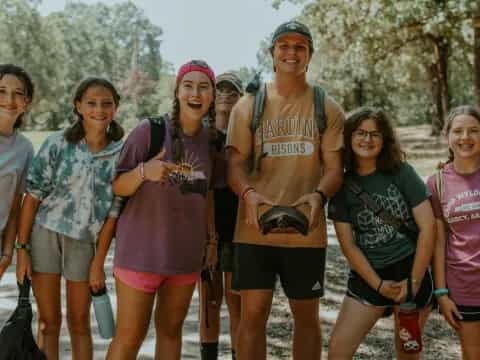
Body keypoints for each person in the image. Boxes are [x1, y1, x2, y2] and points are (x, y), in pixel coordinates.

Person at [226, 21, 344, 360]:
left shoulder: (327, 106)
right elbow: (234, 165)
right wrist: (248, 195)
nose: (291, 52)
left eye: (300, 47)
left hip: (306, 231)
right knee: (252, 316)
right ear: (272, 53)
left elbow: (336, 168)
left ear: (309, 56)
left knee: (306, 318)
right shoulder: (249, 106)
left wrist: (319, 195)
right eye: (284, 45)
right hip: (254, 231)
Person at [106, 60, 218, 360]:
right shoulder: (150, 131)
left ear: (212, 96)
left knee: (171, 333)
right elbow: (118, 185)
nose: (196, 93)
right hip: (140, 256)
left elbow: (206, 197)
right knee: (129, 338)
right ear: (178, 91)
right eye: (189, 85)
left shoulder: (212, 142)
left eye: (204, 87)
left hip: (184, 259)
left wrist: (210, 240)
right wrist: (145, 171)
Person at [15, 77, 124, 360]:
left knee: (79, 323)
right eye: (91, 103)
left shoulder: (121, 154)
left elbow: (114, 212)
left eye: (106, 104)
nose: (99, 110)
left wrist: (99, 262)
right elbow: (32, 197)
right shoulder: (57, 144)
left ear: (115, 108)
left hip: (84, 243)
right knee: (48, 322)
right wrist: (22, 249)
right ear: (78, 106)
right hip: (45, 235)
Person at [327, 107, 435, 359]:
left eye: (375, 134)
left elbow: (428, 228)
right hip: (369, 275)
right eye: (360, 133)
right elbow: (348, 245)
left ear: (384, 140)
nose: (367, 140)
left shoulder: (401, 172)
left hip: (412, 270)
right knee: (338, 350)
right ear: (349, 137)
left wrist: (414, 282)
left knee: (407, 351)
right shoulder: (341, 187)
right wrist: (377, 284)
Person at [426, 105, 480, 359]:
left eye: (474, 130)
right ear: (448, 137)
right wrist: (441, 292)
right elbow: (438, 243)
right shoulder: (436, 183)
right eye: (458, 131)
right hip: (465, 285)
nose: (465, 137)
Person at [199, 72, 243, 360]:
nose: (226, 94)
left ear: (241, 98)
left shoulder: (248, 133)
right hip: (207, 231)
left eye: (232, 90)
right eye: (221, 89)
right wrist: (208, 237)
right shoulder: (201, 135)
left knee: (236, 301)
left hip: (241, 230)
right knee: (210, 302)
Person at [0, 64, 34, 282]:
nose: (9, 100)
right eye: (1, 91)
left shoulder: (24, 149)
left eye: (18, 93)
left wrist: (7, 251)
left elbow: (15, 206)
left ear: (26, 102)